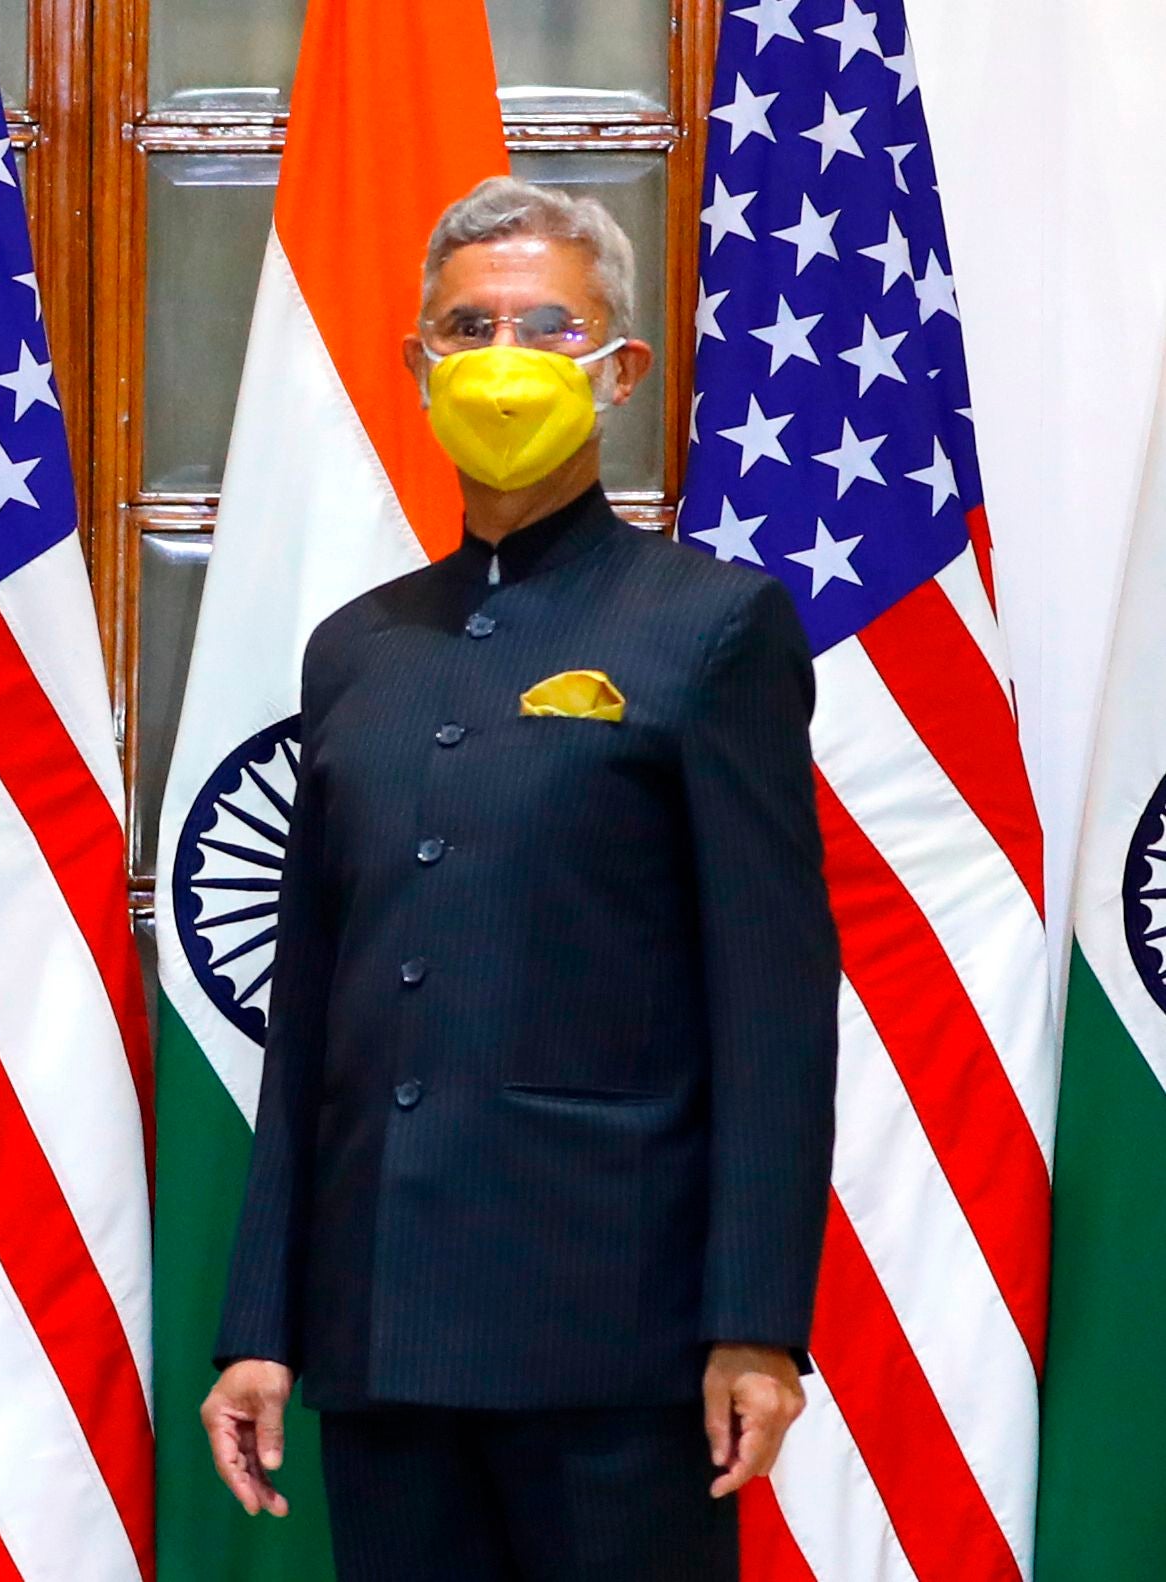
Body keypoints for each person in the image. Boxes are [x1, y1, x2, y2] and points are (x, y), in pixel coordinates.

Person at [199, 175, 840, 1581]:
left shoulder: (711, 629)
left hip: (613, 1334)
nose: (502, 358)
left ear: (616, 367)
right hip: (381, 1332)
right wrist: (261, 1320)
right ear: (417, 361)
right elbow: (307, 1017)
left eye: (545, 327)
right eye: (466, 327)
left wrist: (756, 1320)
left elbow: (775, 1006)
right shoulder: (357, 650)